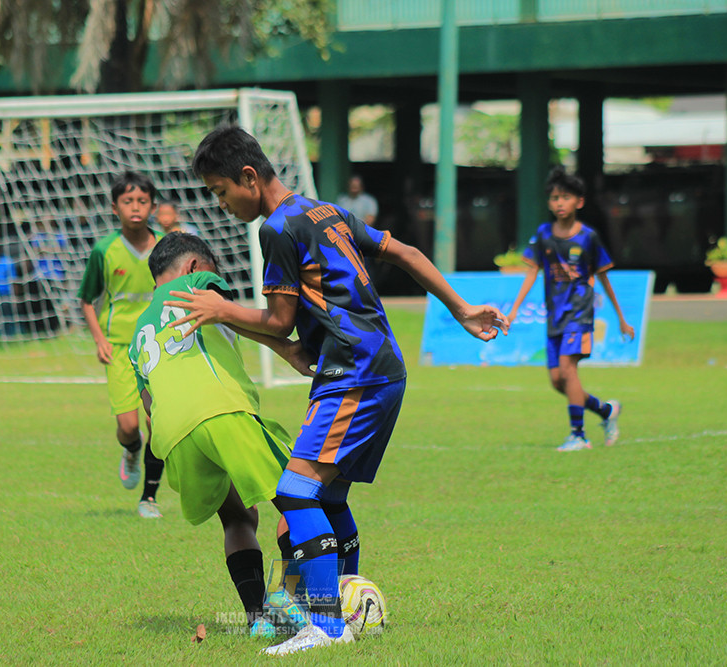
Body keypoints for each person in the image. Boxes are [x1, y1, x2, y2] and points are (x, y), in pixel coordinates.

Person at [166, 125, 508, 655]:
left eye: (220, 191)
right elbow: (406, 251)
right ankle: (342, 602)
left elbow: (279, 321)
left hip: (353, 372)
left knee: (294, 492)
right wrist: (461, 308)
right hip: (380, 367)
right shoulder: (326, 212)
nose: (221, 204)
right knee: (326, 494)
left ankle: (324, 626)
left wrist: (220, 310)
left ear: (249, 177)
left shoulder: (276, 229)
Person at [130, 231, 312, 638]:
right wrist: (287, 349)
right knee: (301, 499)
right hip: (222, 412)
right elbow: (228, 312)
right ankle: (289, 596)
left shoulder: (138, 331)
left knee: (237, 516)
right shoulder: (195, 284)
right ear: (195, 266)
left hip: (173, 437)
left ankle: (257, 620)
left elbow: (147, 400)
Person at [507, 166, 636, 452]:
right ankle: (605, 411)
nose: (559, 203)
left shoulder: (589, 237)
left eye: (565, 197)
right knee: (557, 381)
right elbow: (531, 272)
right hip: (556, 315)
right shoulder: (543, 234)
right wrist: (515, 309)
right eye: (554, 198)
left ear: (579, 201)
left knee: (568, 369)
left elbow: (604, 277)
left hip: (580, 313)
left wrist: (622, 320)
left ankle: (578, 436)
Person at [78, 171, 166, 519]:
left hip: (158, 348)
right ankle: (130, 452)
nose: (135, 207)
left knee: (156, 425)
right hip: (118, 347)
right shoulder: (104, 250)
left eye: (142, 201)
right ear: (115, 207)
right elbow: (87, 299)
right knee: (129, 428)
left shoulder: (165, 246)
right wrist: (99, 339)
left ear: (152, 206)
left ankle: (149, 499)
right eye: (127, 201)